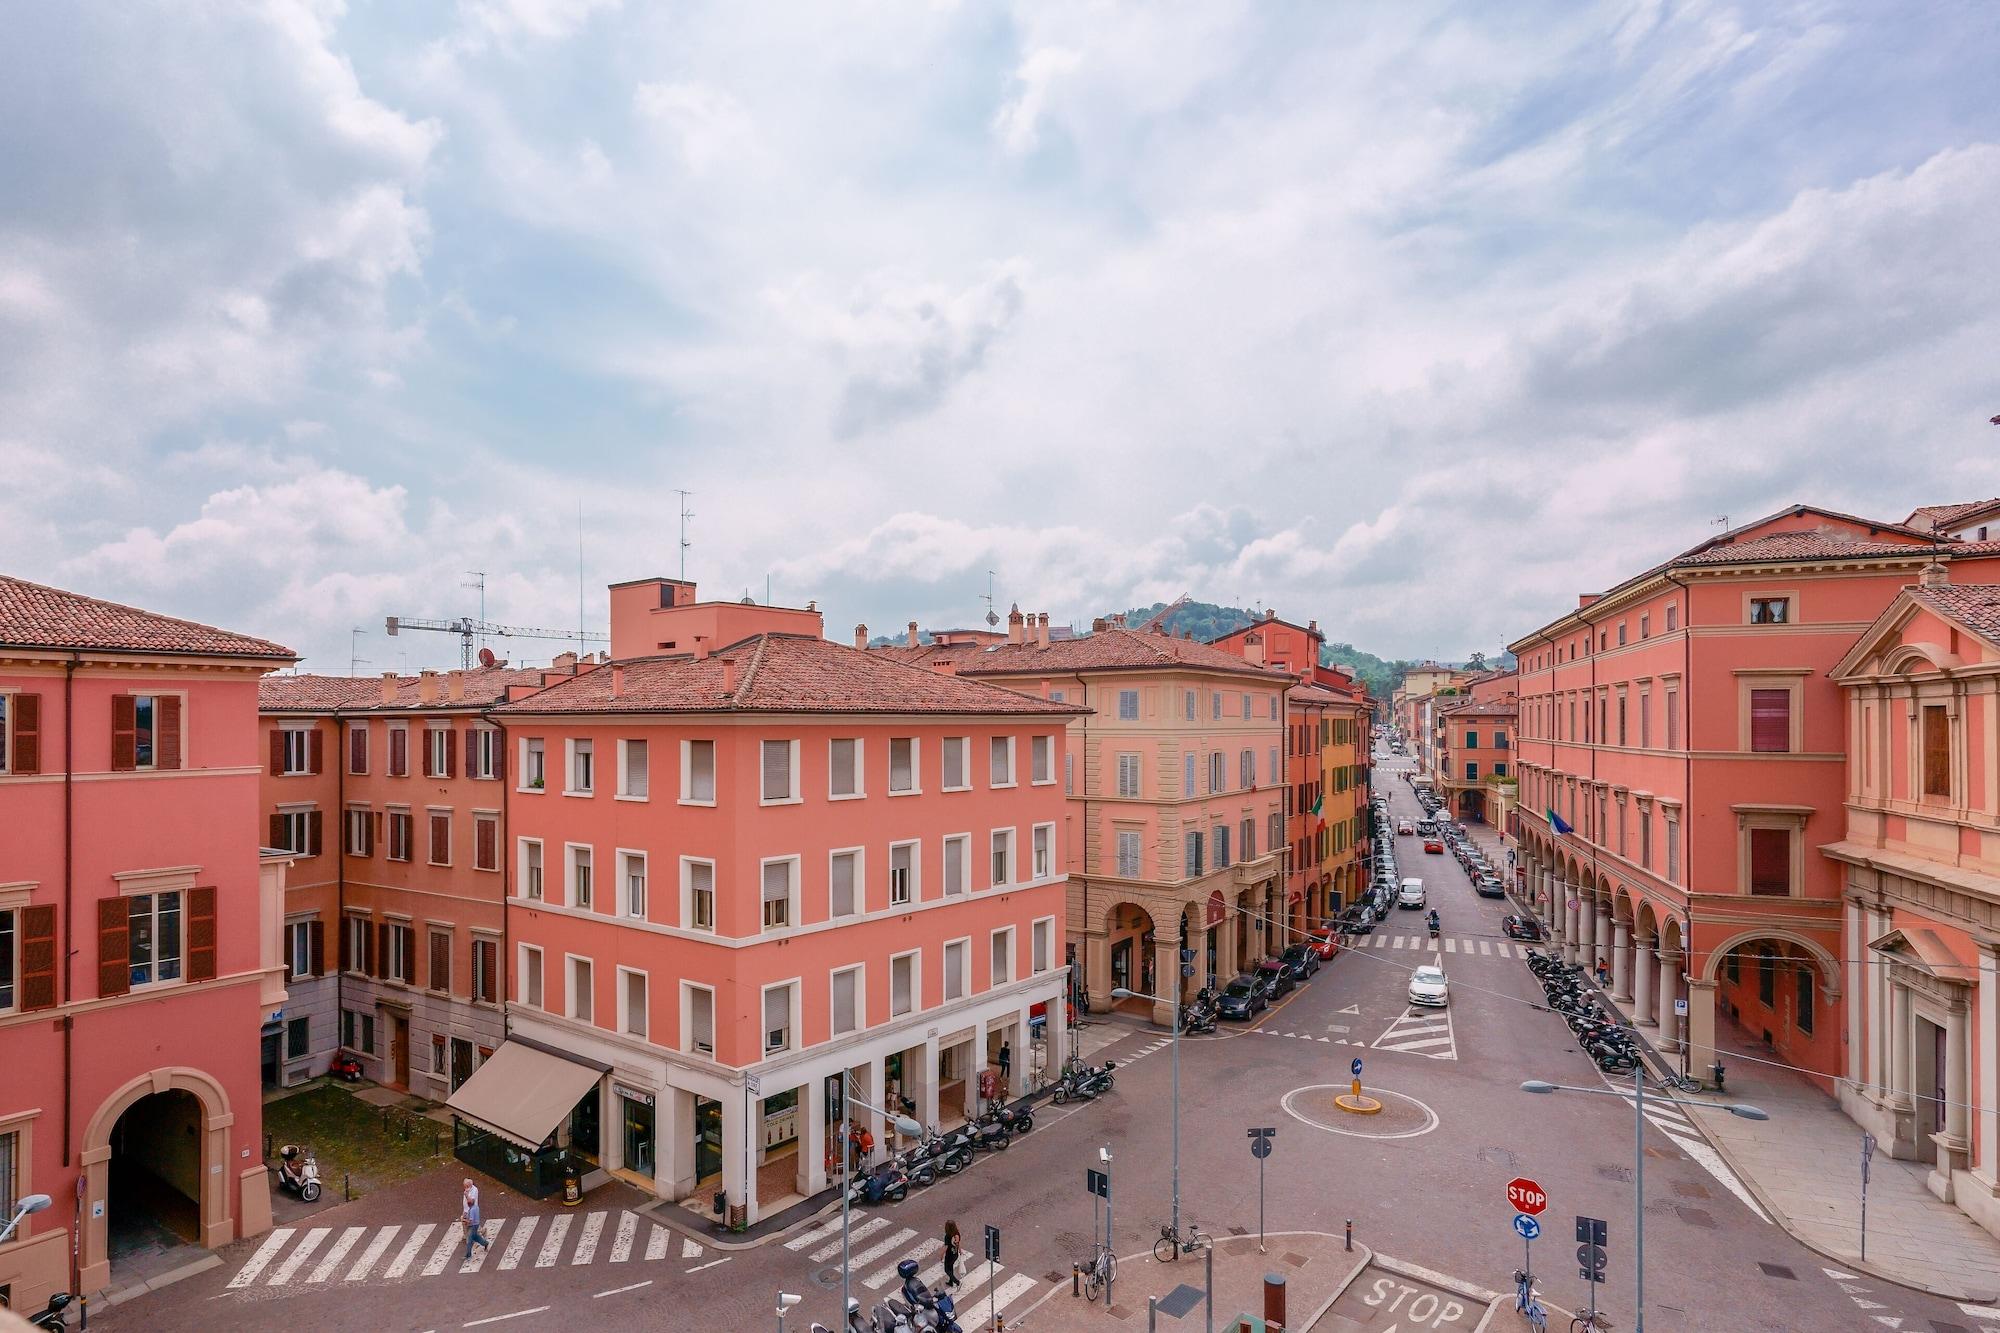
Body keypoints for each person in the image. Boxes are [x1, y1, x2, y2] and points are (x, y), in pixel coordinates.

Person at [462, 1178, 490, 1261]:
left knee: (469, 1240)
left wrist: (464, 1220)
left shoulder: (473, 1209)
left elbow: (471, 1221)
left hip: (473, 1225)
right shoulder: (473, 1208)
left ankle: (468, 1255)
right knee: (476, 1237)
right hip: (472, 1223)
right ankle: (485, 1243)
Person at [942, 1220, 962, 1289]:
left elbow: (946, 1247)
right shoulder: (957, 1234)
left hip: (949, 1255)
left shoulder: (948, 1236)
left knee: (947, 1270)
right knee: (950, 1268)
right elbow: (958, 1243)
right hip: (955, 1254)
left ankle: (957, 1282)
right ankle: (951, 1282)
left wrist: (941, 1255)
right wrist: (960, 1251)